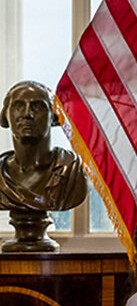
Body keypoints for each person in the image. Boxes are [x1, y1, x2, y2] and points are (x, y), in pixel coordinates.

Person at [0, 80, 88, 211]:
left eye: (38, 107)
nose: (27, 114)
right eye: (18, 106)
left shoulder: (71, 172)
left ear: (53, 116)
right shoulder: (2, 173)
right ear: (6, 115)